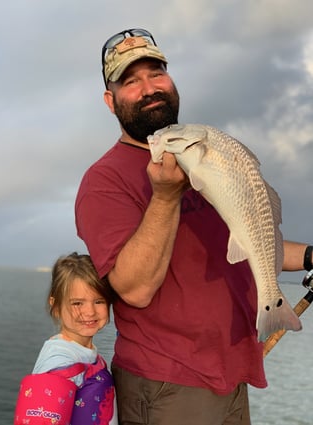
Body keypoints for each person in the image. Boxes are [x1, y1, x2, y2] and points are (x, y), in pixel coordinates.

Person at [75, 28, 313, 425]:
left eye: (157, 73)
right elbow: (133, 288)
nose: (149, 88)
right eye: (130, 81)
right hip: (169, 384)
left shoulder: (204, 162)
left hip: (232, 374)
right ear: (110, 102)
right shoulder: (104, 181)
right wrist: (166, 196)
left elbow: (249, 238)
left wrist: (308, 255)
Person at [31, 252, 118, 425]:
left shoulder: (86, 354)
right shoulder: (59, 362)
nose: (90, 312)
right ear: (56, 306)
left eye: (99, 301)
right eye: (77, 303)